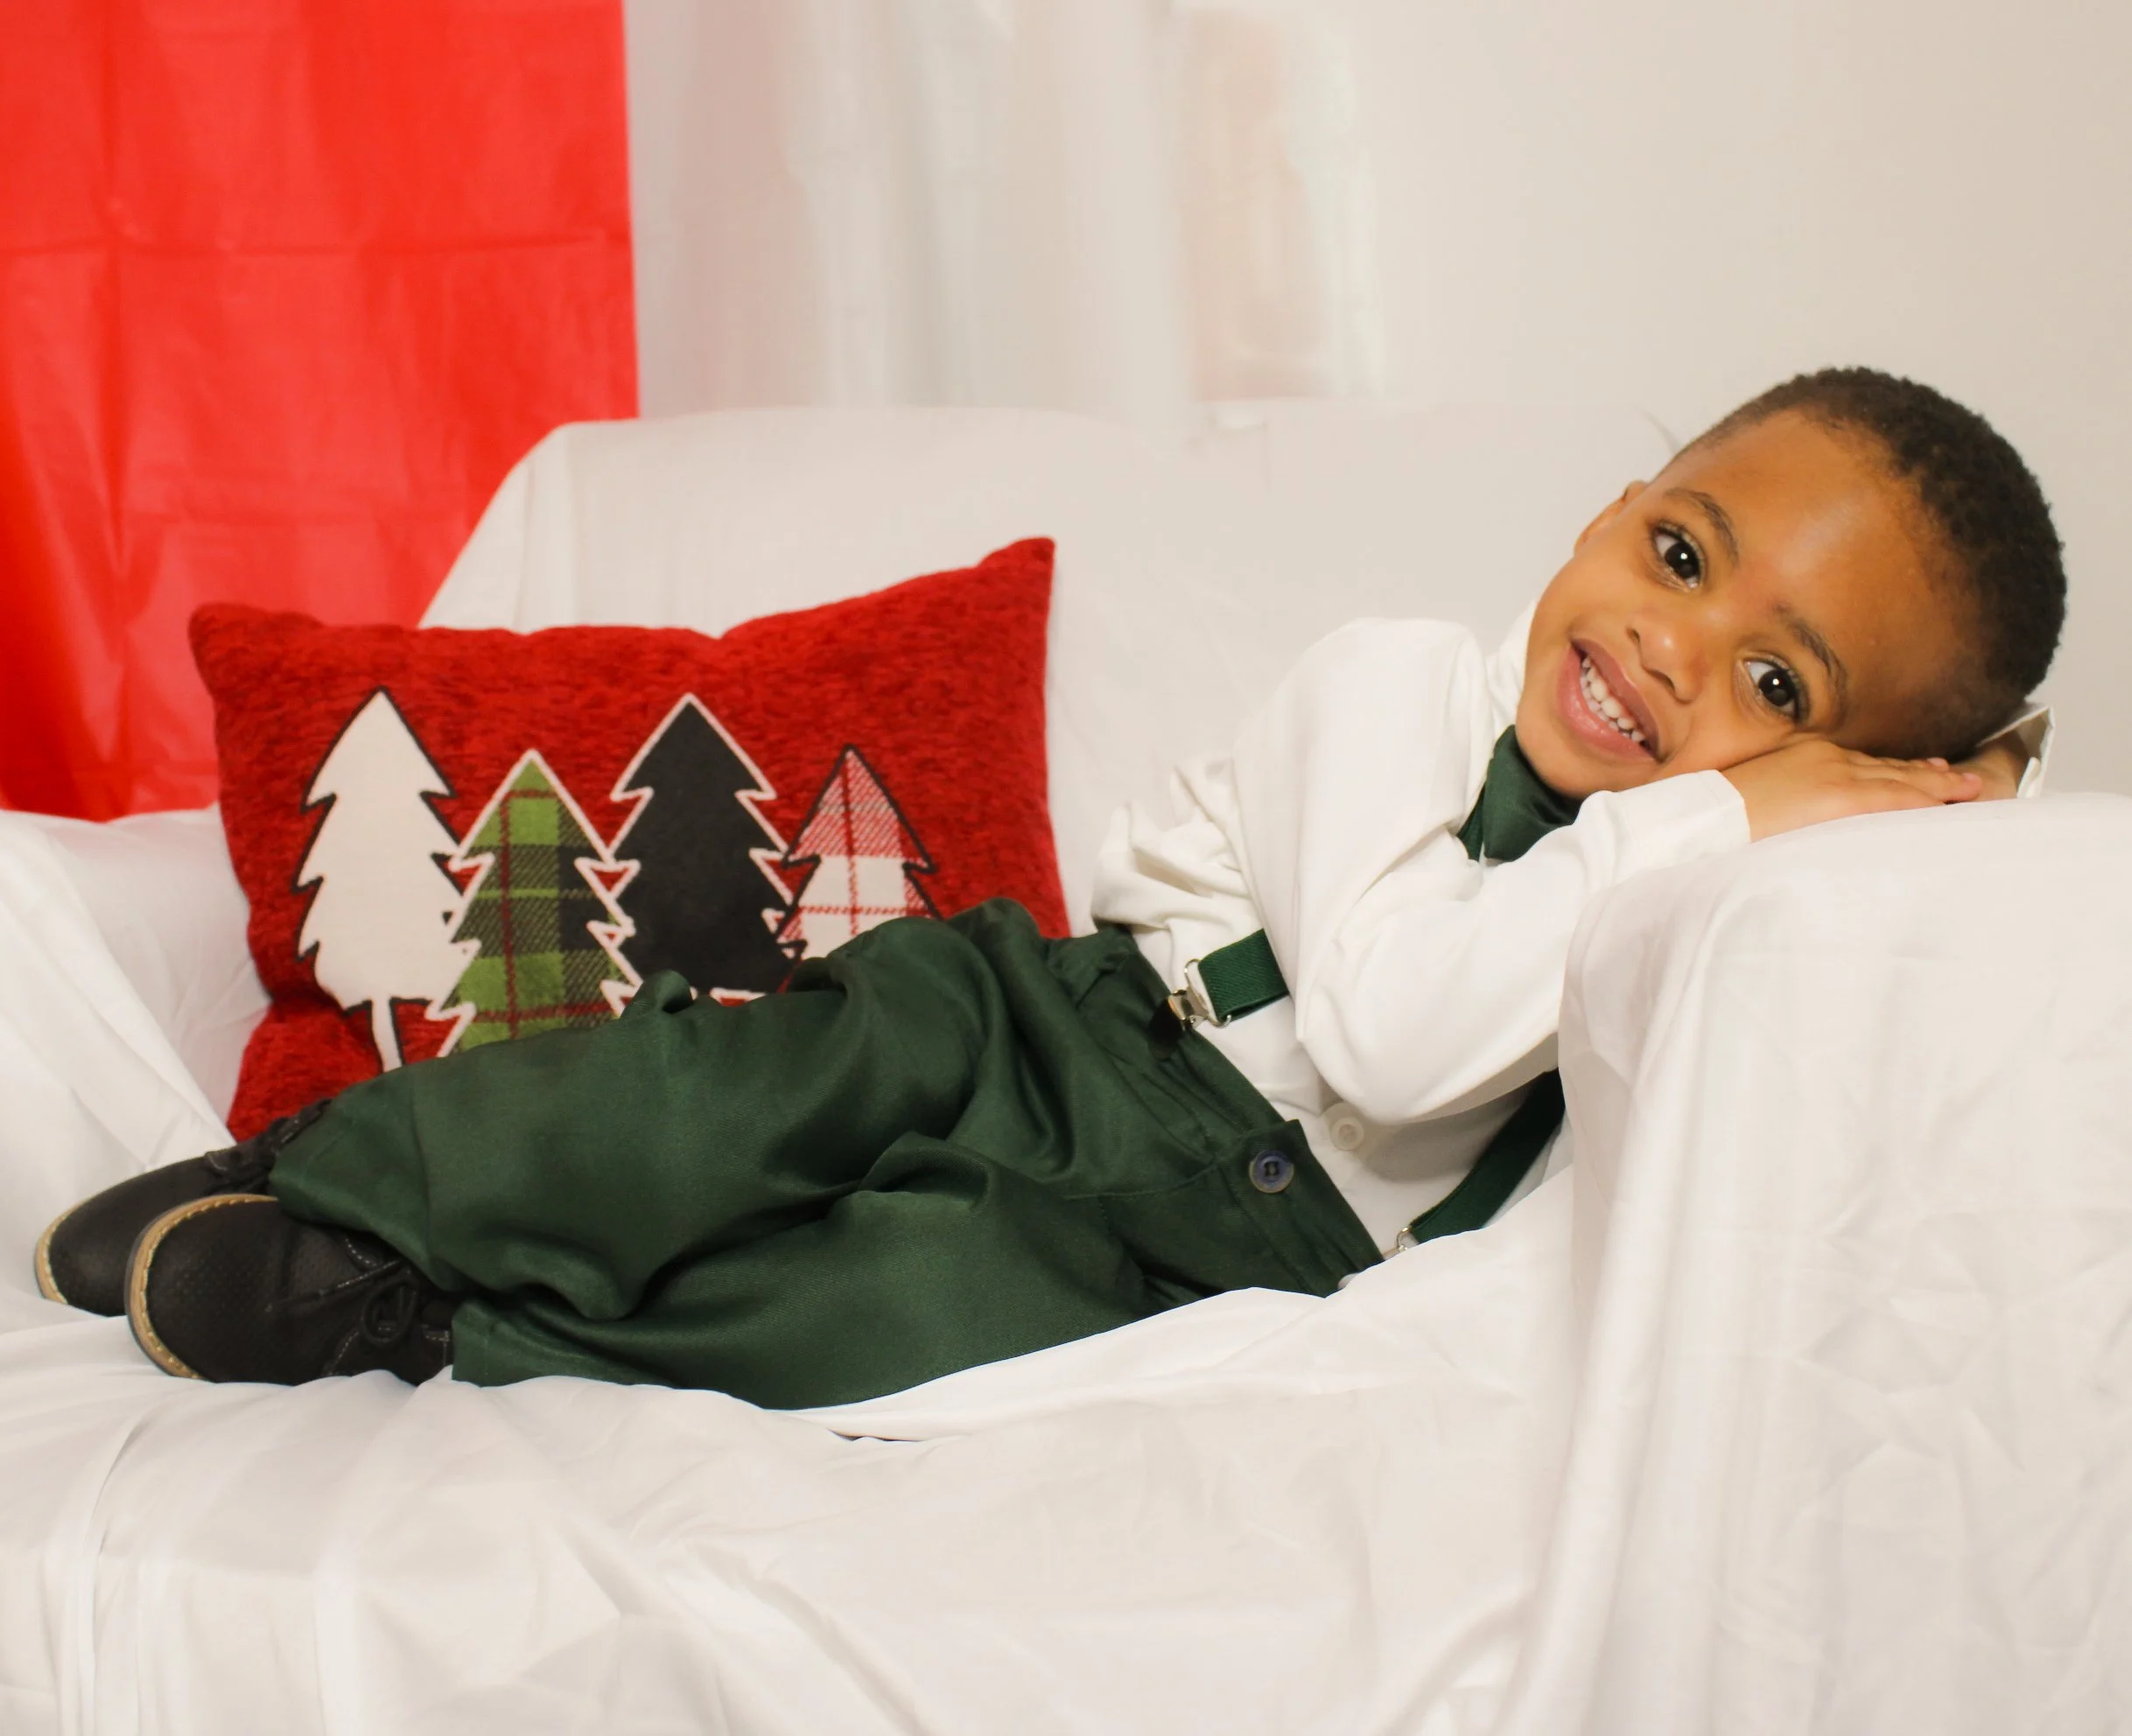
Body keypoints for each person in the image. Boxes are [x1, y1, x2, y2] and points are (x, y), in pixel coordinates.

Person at [39, 368, 2065, 1407]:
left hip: (1221, 1255)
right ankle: (338, 1171)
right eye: (1684, 555)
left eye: (1775, 685)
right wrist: (1728, 801)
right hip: (1053, 1022)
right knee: (708, 1108)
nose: (1670, 653)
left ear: (1828, 754)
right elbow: (1388, 1017)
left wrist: (1781, 822)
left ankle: (428, 1312)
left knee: (882, 1306)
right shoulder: (1392, 684)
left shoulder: (1695, 906)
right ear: (1612, 514)